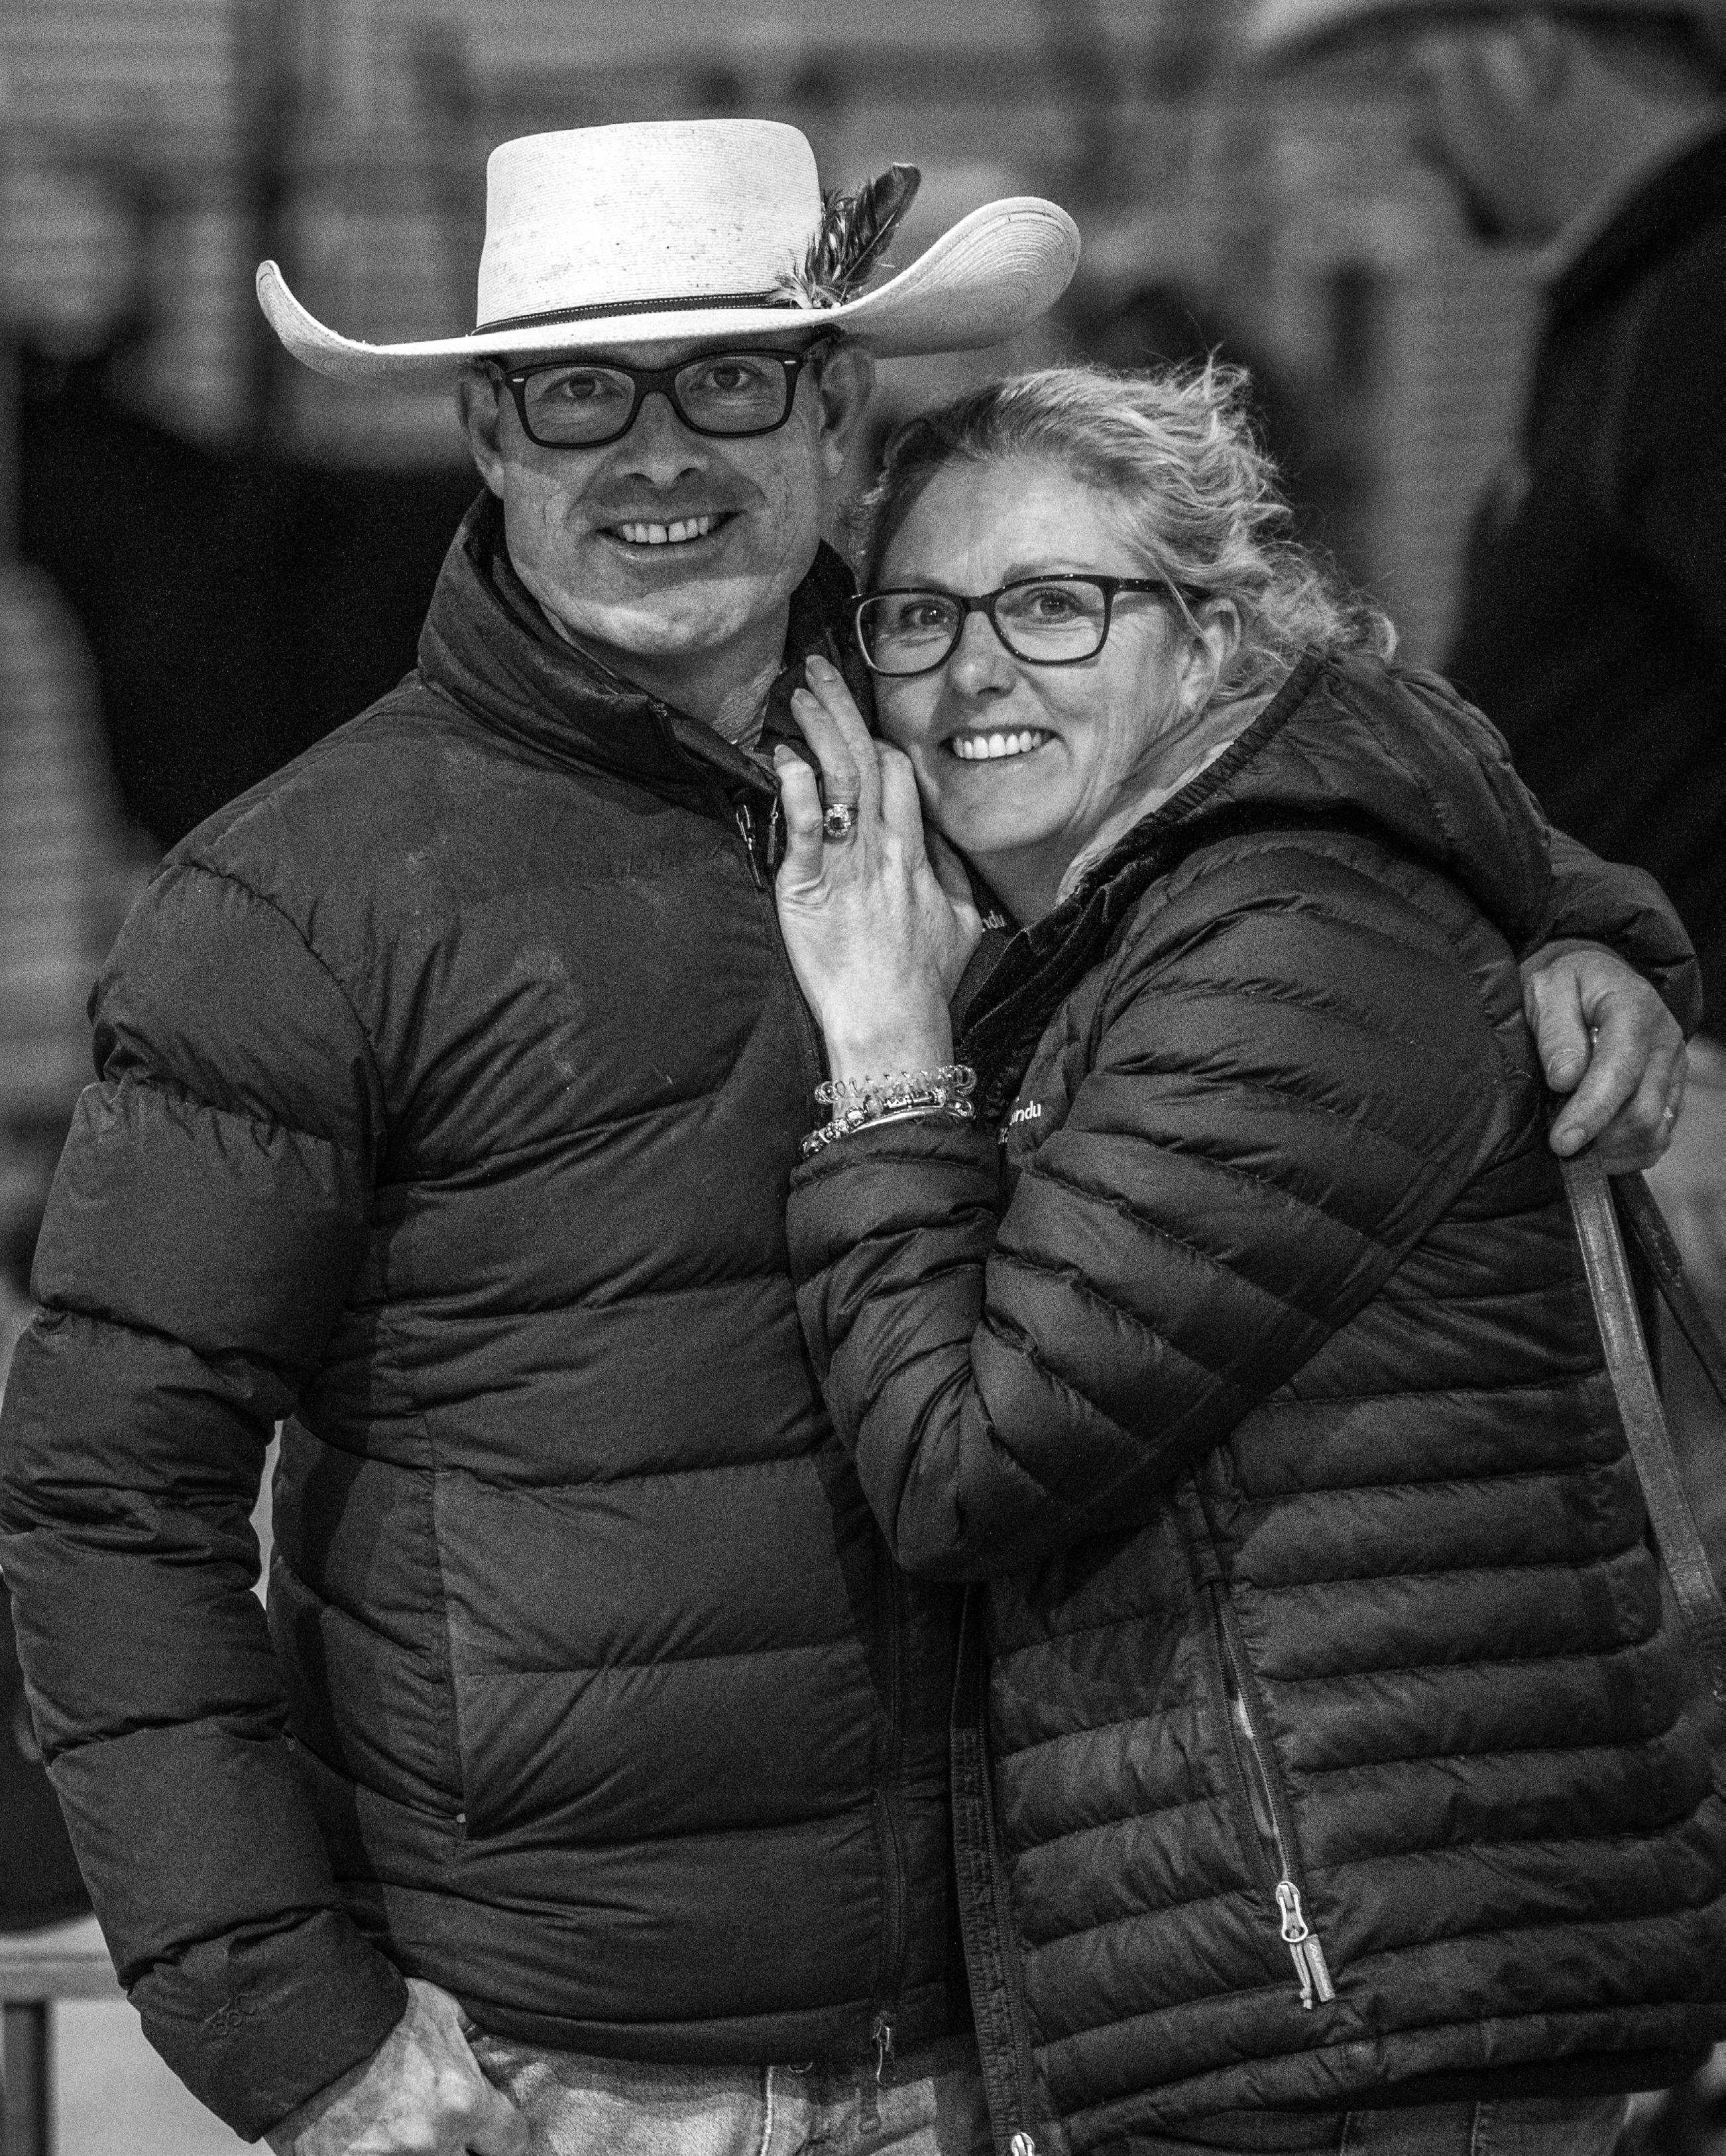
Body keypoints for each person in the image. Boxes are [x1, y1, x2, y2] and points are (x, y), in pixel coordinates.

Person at [0, 119, 1690, 2156]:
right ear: (489, 431)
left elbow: (1303, 733)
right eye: (580, 392)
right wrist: (295, 2029)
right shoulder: (301, 899)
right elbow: (109, 1489)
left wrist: (1573, 915)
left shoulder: (972, 729)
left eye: (728, 379)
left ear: (831, 416)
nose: (658, 455)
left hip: (1044, 2030)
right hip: (564, 2071)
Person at [770, 361, 1726, 2156]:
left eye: (1055, 605)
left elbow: (967, 1460)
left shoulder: (1278, 948)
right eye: (919, 618)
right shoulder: (1143, 922)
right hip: (1321, 1994)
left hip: (1363, 2024)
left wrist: (886, 1059)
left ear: (1208, 636)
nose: (975, 671)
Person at [1240, 0, 1726, 1309]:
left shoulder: (1699, 306)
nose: (1415, 137)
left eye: (1421, 78)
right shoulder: (1639, 304)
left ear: (1530, 48)